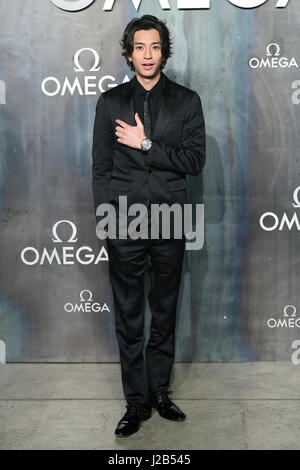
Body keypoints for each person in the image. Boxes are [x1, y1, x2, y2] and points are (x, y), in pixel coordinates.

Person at [92, 14, 206, 438]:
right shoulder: (110, 102)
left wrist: (147, 145)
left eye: (155, 47)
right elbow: (101, 167)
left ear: (164, 52)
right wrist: (105, 216)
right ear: (128, 52)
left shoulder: (187, 101)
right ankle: (135, 402)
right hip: (122, 221)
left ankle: (160, 391)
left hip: (170, 219)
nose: (147, 55)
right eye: (139, 47)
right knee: (128, 315)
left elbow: (194, 162)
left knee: (164, 310)